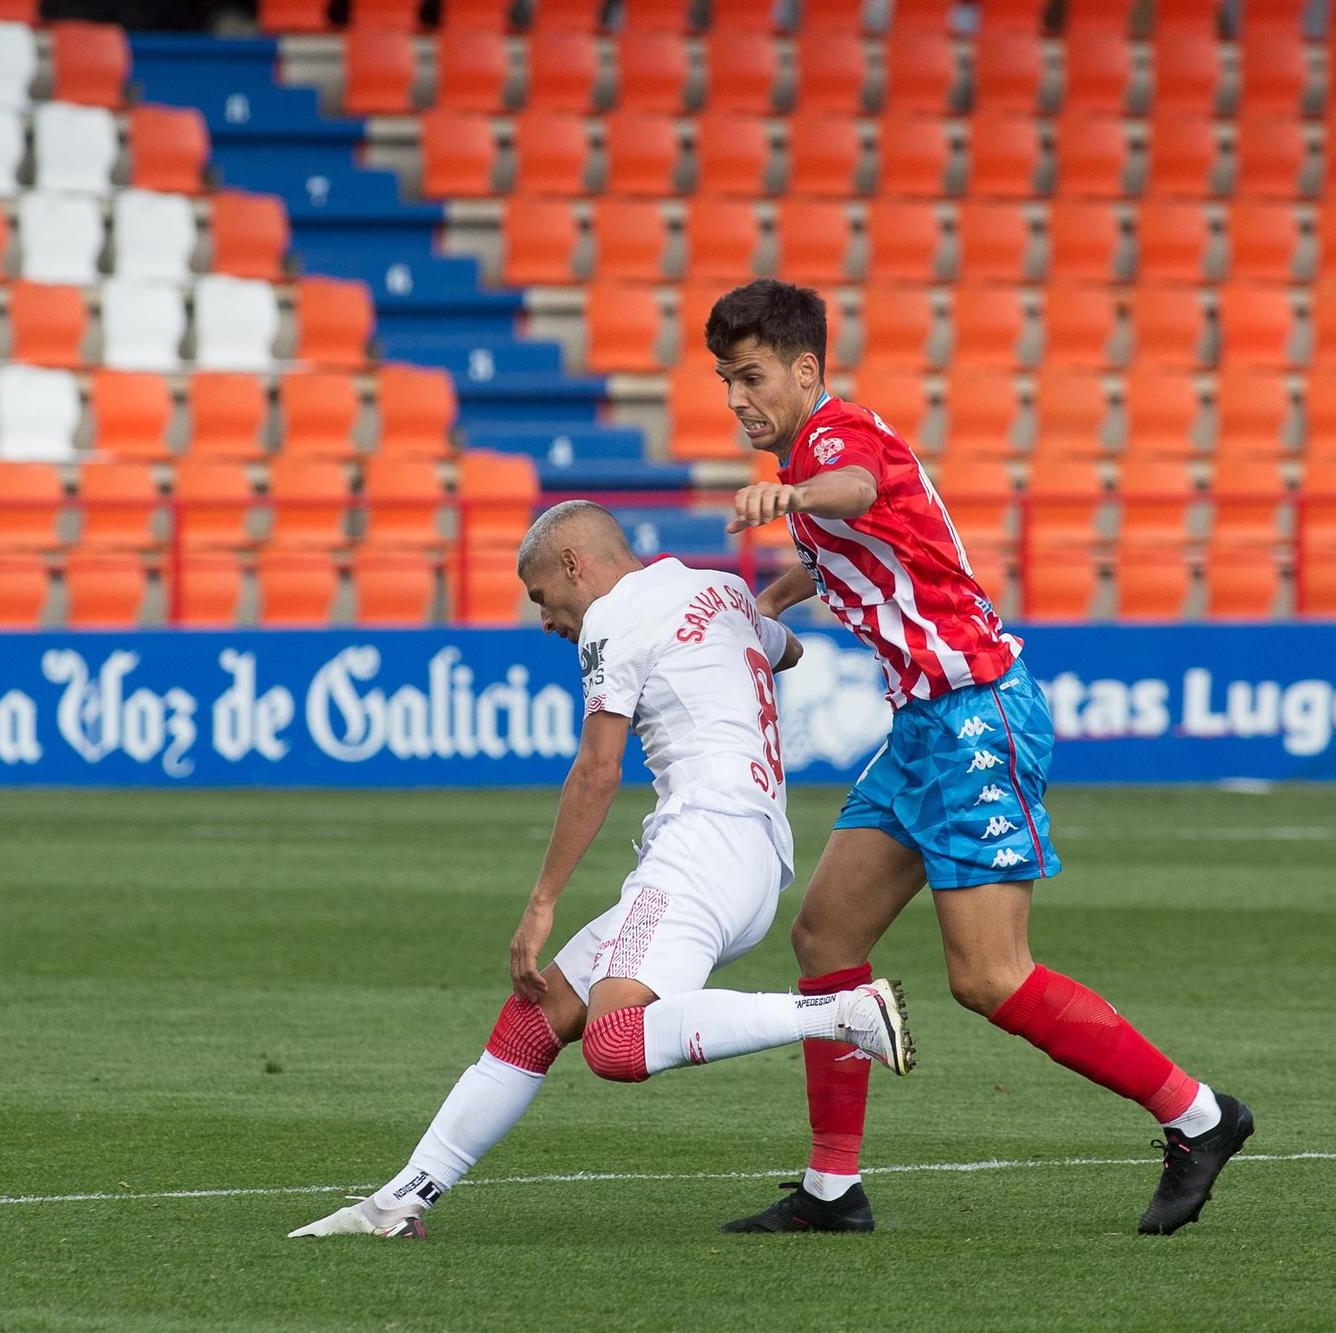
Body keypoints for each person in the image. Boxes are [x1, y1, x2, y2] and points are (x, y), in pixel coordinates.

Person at [707, 278, 1249, 1236]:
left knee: (989, 976)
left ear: (804, 368)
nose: (737, 397)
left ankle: (1199, 1117)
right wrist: (777, 597)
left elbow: (855, 491)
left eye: (751, 375)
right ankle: (834, 1190)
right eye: (724, 379)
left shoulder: (832, 442)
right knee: (828, 939)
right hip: (924, 729)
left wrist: (790, 493)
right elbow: (851, 541)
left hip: (976, 718)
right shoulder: (814, 449)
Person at [288, 501, 914, 1240]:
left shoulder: (618, 617)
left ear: (574, 564)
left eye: (541, 595)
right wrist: (770, 596)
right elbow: (787, 651)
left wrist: (542, 901)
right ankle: (401, 1200)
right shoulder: (711, 589)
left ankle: (840, 1014)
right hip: (752, 857)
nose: (546, 618)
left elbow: (596, 769)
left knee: (615, 1042)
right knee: (538, 1015)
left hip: (701, 847)